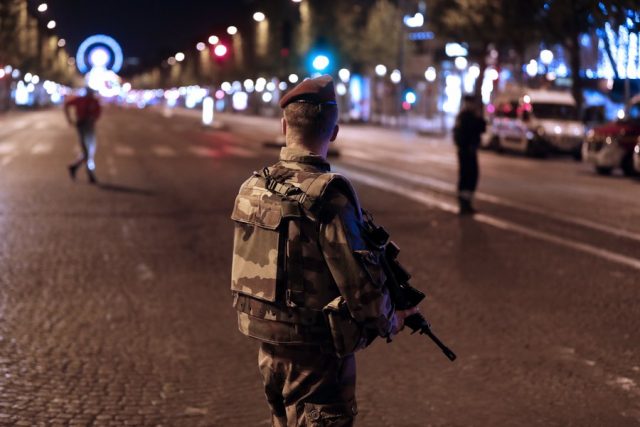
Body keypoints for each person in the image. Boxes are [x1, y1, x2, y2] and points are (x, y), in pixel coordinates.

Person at [230, 75, 417, 427]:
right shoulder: (328, 195)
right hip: (317, 358)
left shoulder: (252, 186)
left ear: (284, 125)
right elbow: (361, 290)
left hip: (269, 350)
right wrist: (395, 318)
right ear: (333, 132)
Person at [453, 95, 486, 215]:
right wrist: (464, 146)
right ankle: (463, 204)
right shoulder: (463, 117)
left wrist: (479, 116)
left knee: (473, 175)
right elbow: (458, 134)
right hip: (465, 151)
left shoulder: (473, 116)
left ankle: (468, 202)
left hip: (472, 151)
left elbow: (482, 128)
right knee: (466, 176)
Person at [64, 88, 101, 183]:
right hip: (81, 125)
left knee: (89, 151)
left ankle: (75, 167)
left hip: (89, 126)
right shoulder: (81, 99)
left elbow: (97, 113)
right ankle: (90, 174)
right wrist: (69, 118)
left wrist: (92, 119)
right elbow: (66, 104)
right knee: (87, 152)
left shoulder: (94, 101)